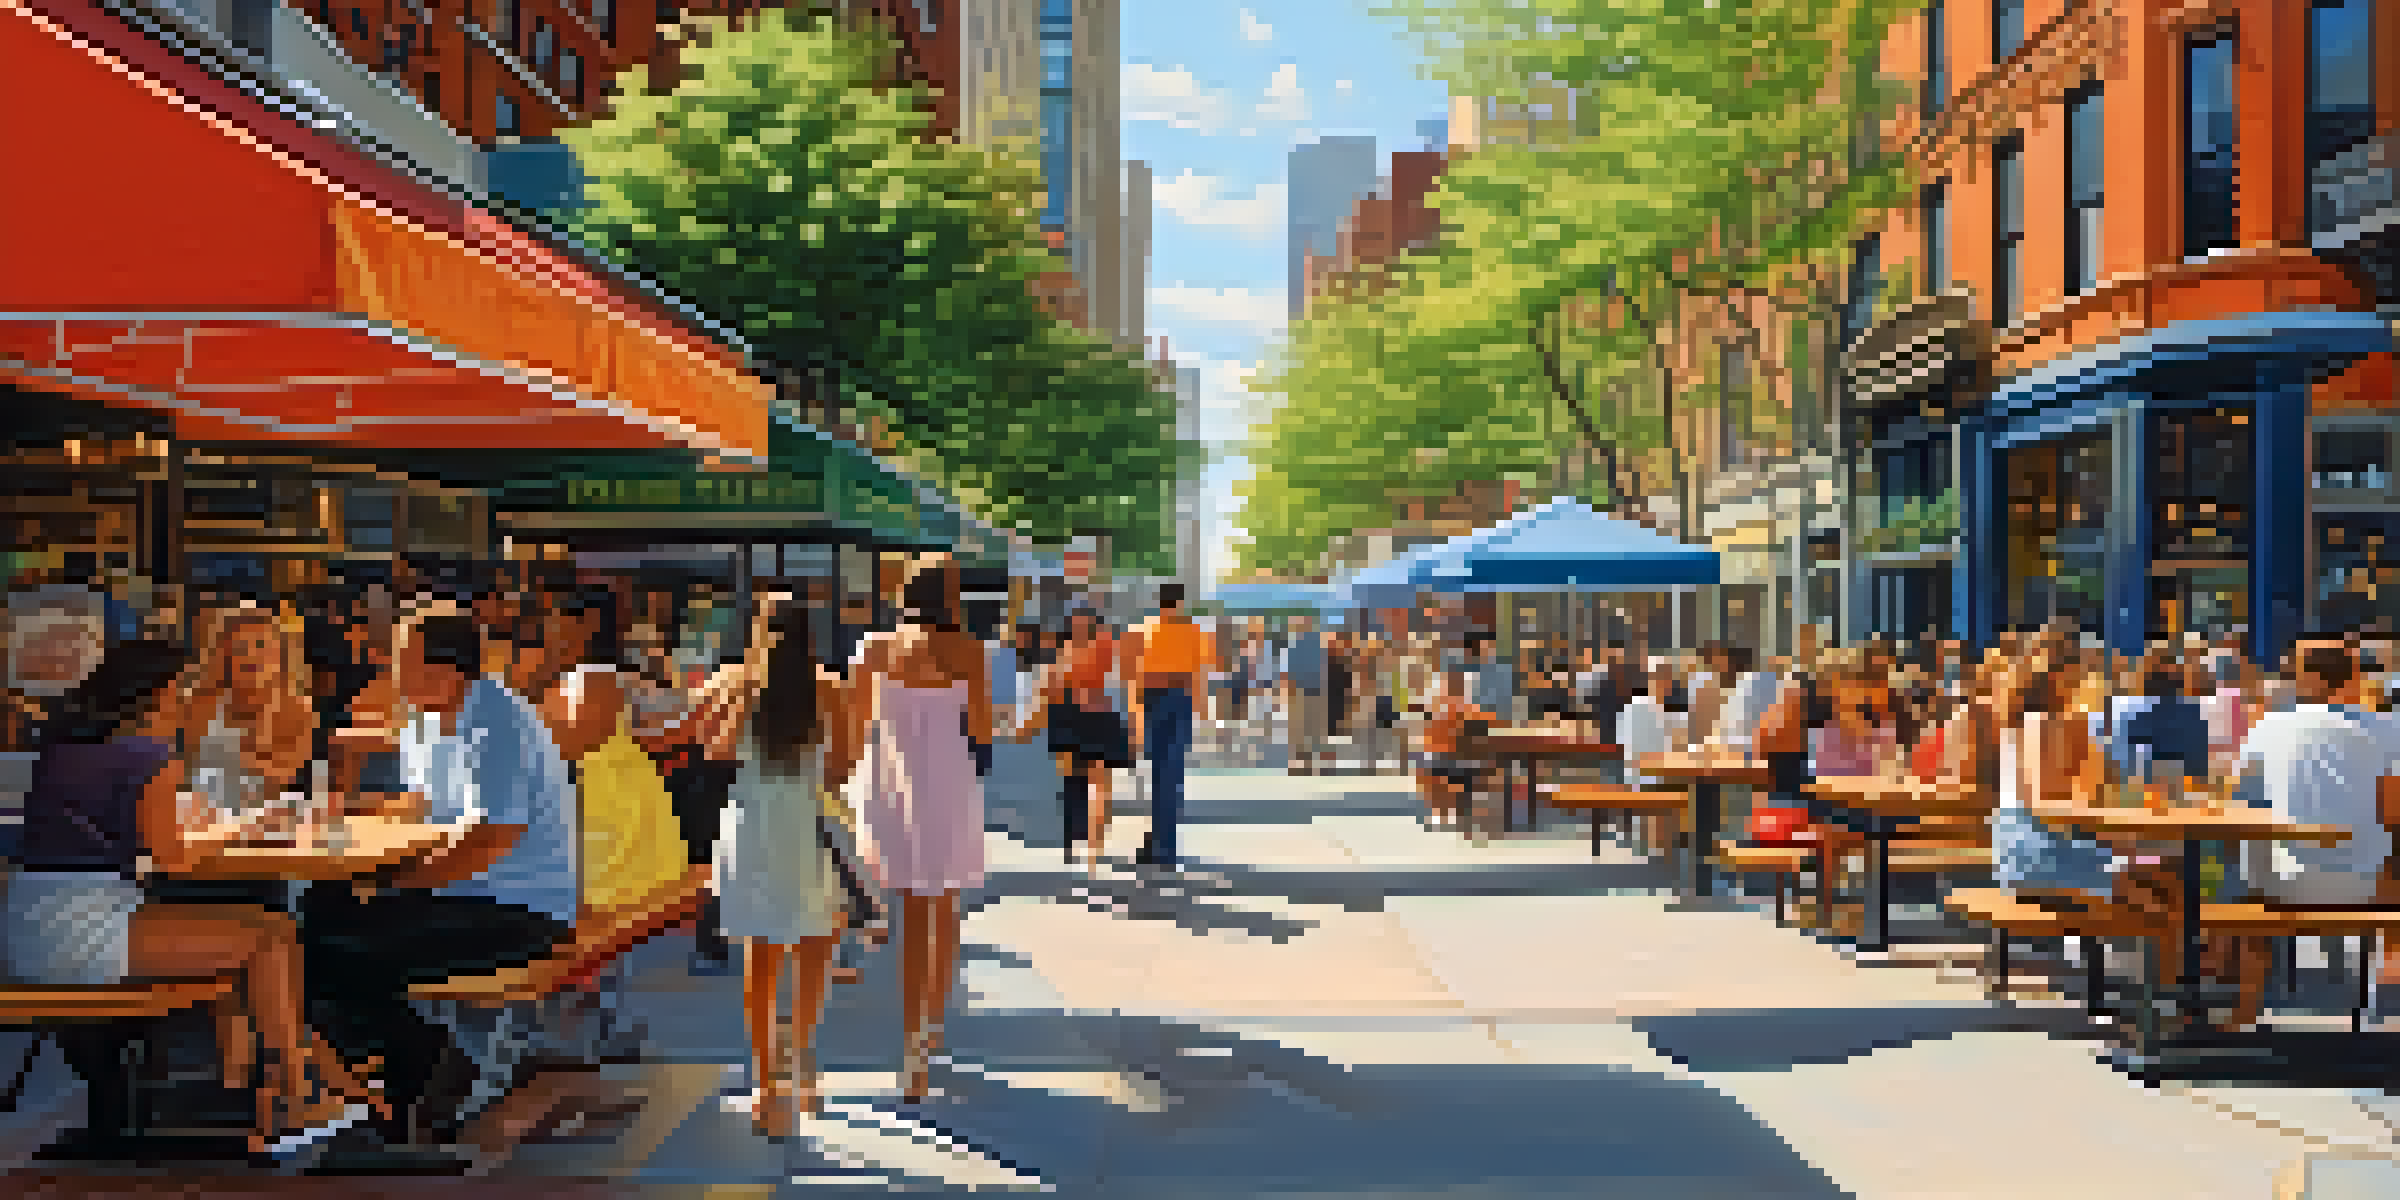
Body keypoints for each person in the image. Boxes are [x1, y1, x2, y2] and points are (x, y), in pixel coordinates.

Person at [6, 639, 376, 1155]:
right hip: (82, 927)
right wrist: (242, 828)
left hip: (33, 923)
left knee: (267, 929)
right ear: (157, 696)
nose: (193, 699)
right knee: (268, 939)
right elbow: (175, 860)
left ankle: (279, 1089)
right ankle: (293, 1098)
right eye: (186, 689)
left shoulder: (64, 748)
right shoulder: (150, 755)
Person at [298, 614, 580, 1150]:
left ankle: (424, 1064)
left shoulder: (497, 724)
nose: (392, 673)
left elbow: (492, 839)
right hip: (467, 896)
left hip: (520, 913)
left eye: (405, 664)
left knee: (320, 952)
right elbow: (427, 807)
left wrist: (399, 883)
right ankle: (406, 1064)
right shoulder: (431, 723)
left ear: (448, 673)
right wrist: (351, 810)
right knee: (317, 916)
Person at [690, 602, 852, 1134]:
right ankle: (802, 1063)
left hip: (750, 828)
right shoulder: (829, 687)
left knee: (760, 968)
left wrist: (741, 694)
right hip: (804, 828)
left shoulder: (736, 682)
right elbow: (841, 768)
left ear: (758, 631)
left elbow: (713, 752)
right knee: (812, 954)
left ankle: (765, 1085)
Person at [844, 558, 992, 1102]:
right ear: (951, 596)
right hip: (948, 786)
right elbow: (980, 730)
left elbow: (856, 729)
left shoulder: (874, 649)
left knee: (909, 919)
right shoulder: (970, 651)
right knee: (944, 911)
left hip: (892, 786)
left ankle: (911, 1054)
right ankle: (932, 1032)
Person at [1020, 606, 1131, 868]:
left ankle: (1087, 846)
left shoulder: (1074, 653)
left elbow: (1046, 690)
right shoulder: (1105, 649)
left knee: (1086, 784)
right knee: (1084, 784)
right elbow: (1047, 690)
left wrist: (1030, 723)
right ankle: (1086, 846)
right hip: (1086, 717)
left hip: (1081, 718)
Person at [1126, 584, 1214, 871]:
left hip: (1154, 701)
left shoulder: (1142, 630)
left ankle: (1160, 845)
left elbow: (1134, 676)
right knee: (1171, 775)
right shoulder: (1194, 632)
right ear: (1181, 603)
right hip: (1179, 700)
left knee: (1158, 775)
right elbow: (1199, 673)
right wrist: (1200, 711)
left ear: (1159, 601)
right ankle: (1165, 847)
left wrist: (1134, 714)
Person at [1282, 617, 1330, 774]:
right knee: (1311, 726)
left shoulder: (1301, 643)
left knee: (1305, 727)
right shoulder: (1315, 643)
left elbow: (1293, 669)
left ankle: (1303, 761)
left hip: (1305, 690)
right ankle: (1310, 761)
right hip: (1311, 689)